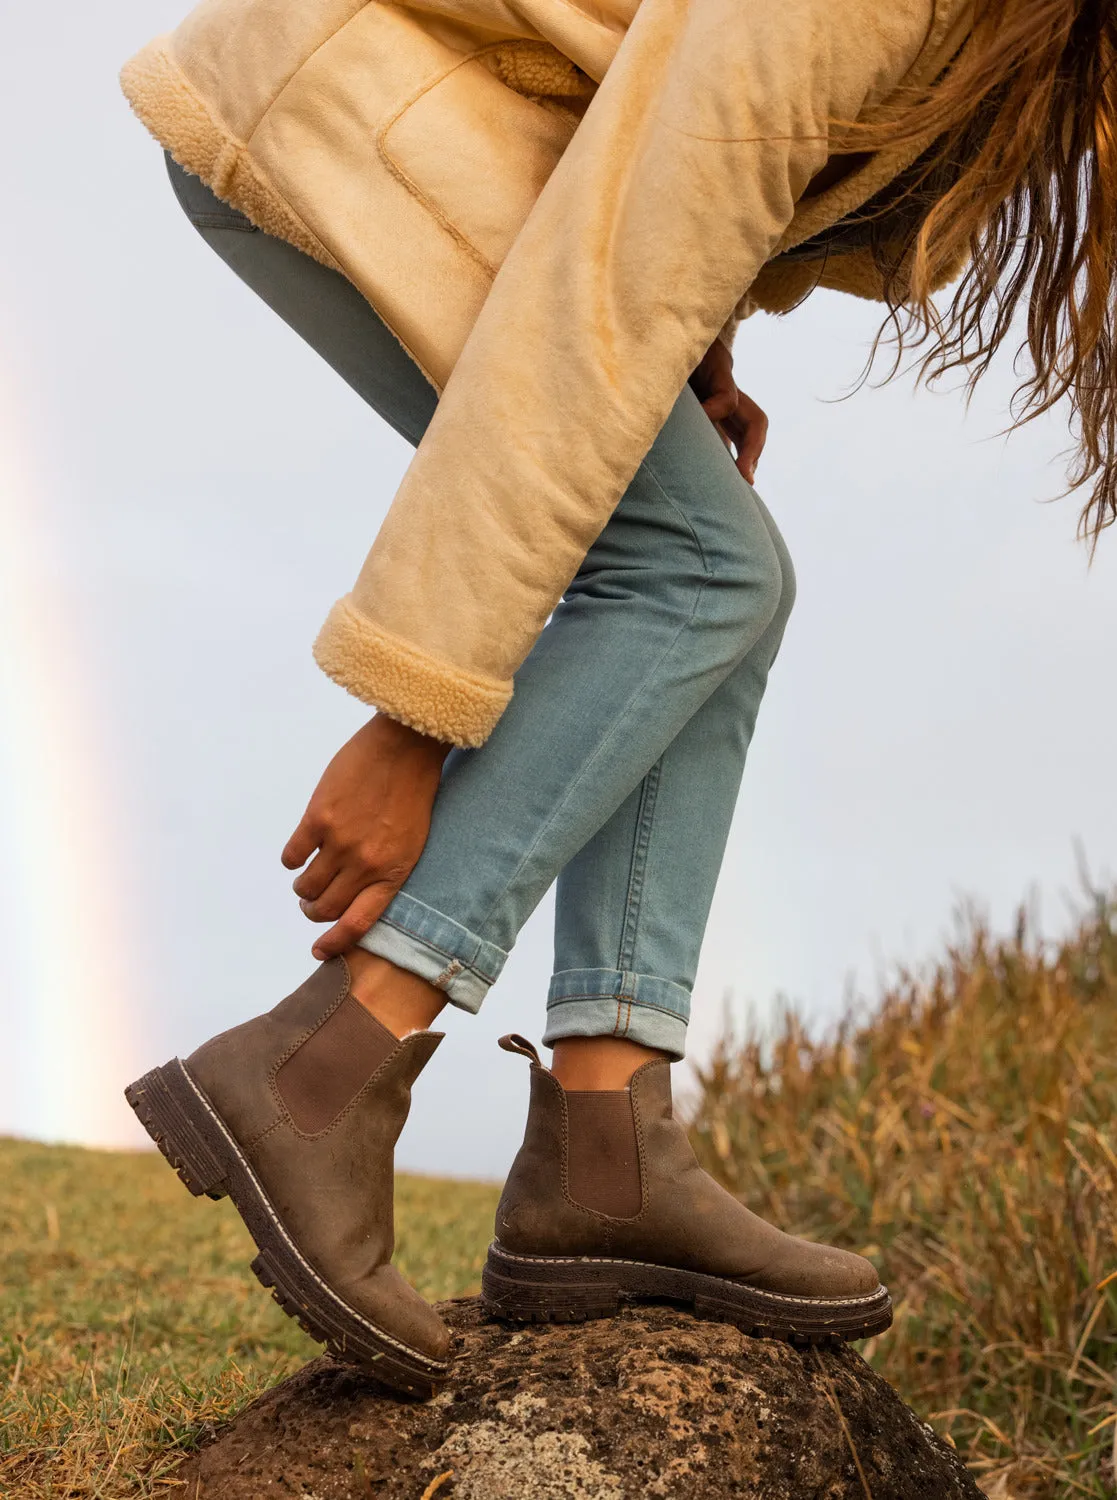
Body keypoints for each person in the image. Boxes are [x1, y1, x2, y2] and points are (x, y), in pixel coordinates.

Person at [120, 0, 1116, 1396]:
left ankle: (609, 1143)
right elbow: (614, 269)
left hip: (479, 151)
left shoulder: (1031, 45)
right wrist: (419, 710)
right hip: (346, 114)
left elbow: (667, 164)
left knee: (721, 575)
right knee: (703, 570)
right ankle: (317, 1073)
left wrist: (697, 356)